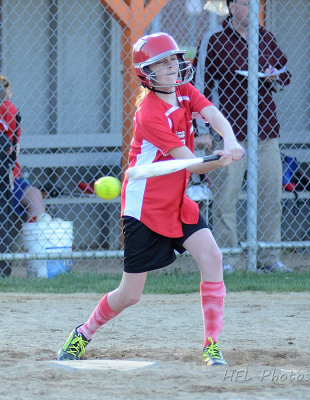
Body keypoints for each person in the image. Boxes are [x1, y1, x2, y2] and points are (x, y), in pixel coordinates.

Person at [57, 32, 244, 366]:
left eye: (174, 59)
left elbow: (214, 115)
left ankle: (212, 345)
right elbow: (189, 159)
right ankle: (82, 333)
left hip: (177, 199)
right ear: (147, 72)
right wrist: (221, 158)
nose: (173, 66)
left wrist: (229, 140)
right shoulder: (149, 113)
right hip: (144, 207)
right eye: (163, 62)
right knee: (130, 294)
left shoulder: (184, 92)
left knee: (212, 258)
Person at [192, 0, 293, 272]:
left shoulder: (266, 37)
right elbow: (198, 87)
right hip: (228, 135)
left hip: (265, 131)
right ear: (232, 6)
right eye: (247, 3)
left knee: (271, 196)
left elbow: (285, 75)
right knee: (225, 198)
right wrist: (201, 131)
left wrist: (274, 77)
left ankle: (268, 258)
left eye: (256, 3)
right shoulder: (213, 40)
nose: (253, 8)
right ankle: (227, 260)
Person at [0, 75, 47, 223]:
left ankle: (36, 245)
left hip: (9, 178)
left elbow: (11, 147)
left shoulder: (7, 110)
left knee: (34, 195)